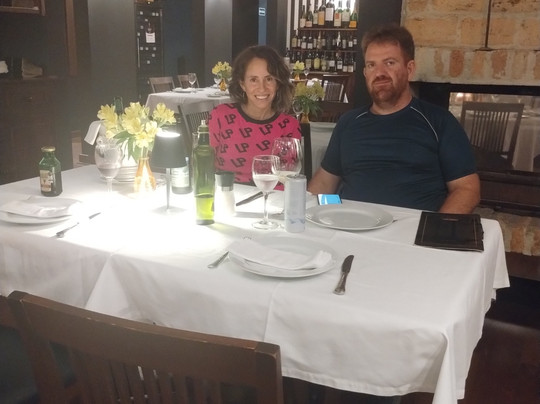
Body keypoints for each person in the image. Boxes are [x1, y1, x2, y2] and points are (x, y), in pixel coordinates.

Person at [308, 24, 480, 214]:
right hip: (350, 225)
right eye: (371, 65)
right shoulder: (348, 122)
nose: (379, 73)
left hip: (412, 229)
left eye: (389, 63)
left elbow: (467, 189)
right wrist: (313, 214)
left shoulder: (439, 122)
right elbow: (325, 183)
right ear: (365, 73)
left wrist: (436, 229)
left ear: (410, 69)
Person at [208, 45, 301, 184]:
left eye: (269, 79)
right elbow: (202, 166)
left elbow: (288, 179)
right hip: (227, 193)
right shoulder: (220, 116)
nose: (262, 88)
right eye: (253, 80)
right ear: (242, 84)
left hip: (272, 196)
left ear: (278, 83)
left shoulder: (289, 126)